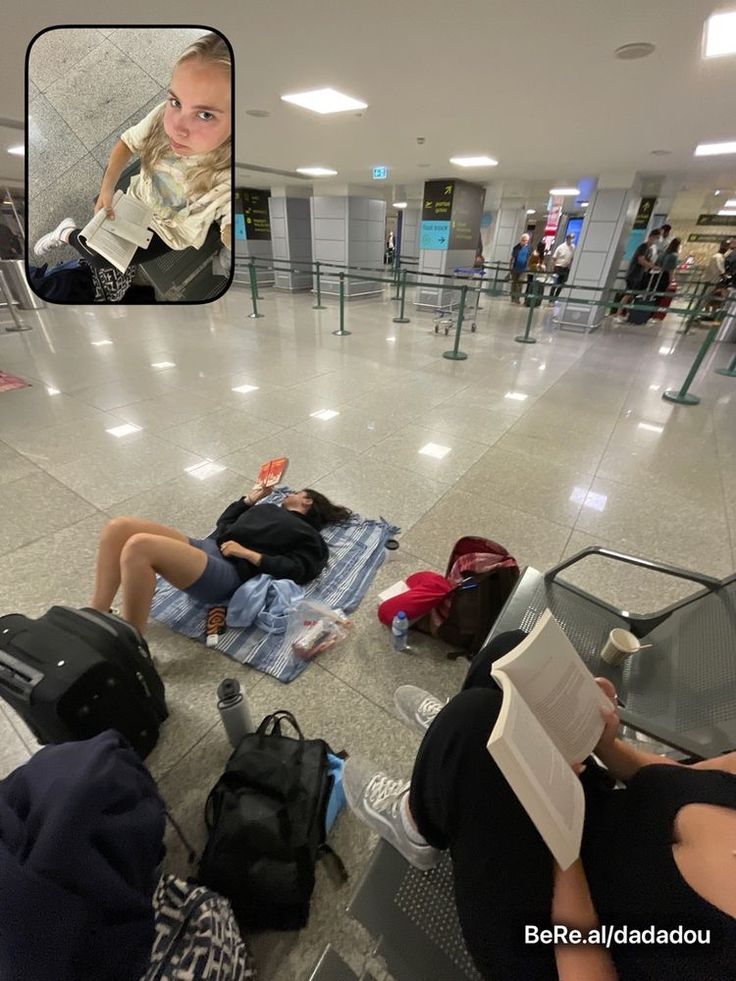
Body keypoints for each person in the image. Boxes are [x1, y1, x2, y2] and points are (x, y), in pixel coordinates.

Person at [344, 631, 736, 981]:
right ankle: (455, 758)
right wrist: (604, 742)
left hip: (556, 937)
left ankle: (419, 826)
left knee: (471, 726)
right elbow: (688, 778)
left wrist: (561, 833)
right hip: (596, 818)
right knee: (509, 655)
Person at [33, 33, 232, 274]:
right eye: (176, 102)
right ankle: (67, 232)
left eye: (205, 115)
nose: (176, 129)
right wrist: (107, 187)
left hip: (172, 232)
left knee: (102, 260)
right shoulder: (162, 116)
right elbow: (127, 143)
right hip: (138, 199)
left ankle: (65, 234)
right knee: (100, 255)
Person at [89, 485, 351, 635]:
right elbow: (224, 526)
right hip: (210, 547)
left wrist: (249, 554)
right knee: (119, 527)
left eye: (296, 492)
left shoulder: (310, 536)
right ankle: (96, 613)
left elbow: (301, 569)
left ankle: (134, 645)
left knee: (139, 547)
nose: (287, 493)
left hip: (229, 571)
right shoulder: (267, 507)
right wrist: (250, 500)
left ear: (306, 501)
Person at [615, 228, 660, 322]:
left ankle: (626, 314)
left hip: (638, 275)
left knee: (632, 295)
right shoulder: (643, 247)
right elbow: (641, 260)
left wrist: (652, 266)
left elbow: (647, 261)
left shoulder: (648, 249)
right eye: (656, 238)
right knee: (628, 294)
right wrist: (653, 266)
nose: (656, 240)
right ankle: (618, 314)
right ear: (651, 237)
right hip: (633, 274)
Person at [549, 233, 575, 302]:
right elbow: (554, 258)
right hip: (558, 267)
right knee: (555, 284)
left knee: (561, 284)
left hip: (566, 268)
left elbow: (572, 257)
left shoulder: (573, 247)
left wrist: (570, 265)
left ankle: (555, 298)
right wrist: (554, 267)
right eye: (570, 238)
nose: (572, 240)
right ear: (567, 239)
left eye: (573, 238)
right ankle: (551, 299)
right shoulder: (560, 247)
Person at [509, 233, 530, 304]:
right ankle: (513, 297)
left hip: (523, 269)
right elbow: (512, 258)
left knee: (520, 283)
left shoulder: (529, 248)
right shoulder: (516, 247)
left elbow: (528, 258)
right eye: (523, 240)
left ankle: (517, 298)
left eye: (526, 240)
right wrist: (510, 267)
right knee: (514, 283)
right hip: (515, 268)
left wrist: (527, 267)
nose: (524, 242)